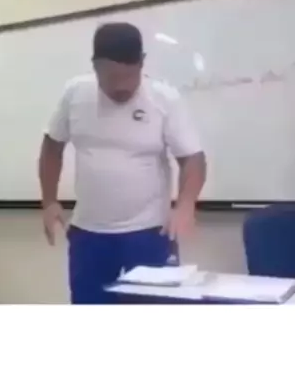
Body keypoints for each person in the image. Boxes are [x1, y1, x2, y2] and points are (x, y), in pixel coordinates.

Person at [38, 22, 206, 303]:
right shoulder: (75, 93)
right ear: (95, 66)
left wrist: (186, 204)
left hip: (150, 233)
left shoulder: (164, 98)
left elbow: (193, 159)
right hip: (89, 235)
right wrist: (49, 201)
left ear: (142, 63)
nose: (121, 87)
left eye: (129, 76)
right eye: (111, 77)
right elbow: (52, 147)